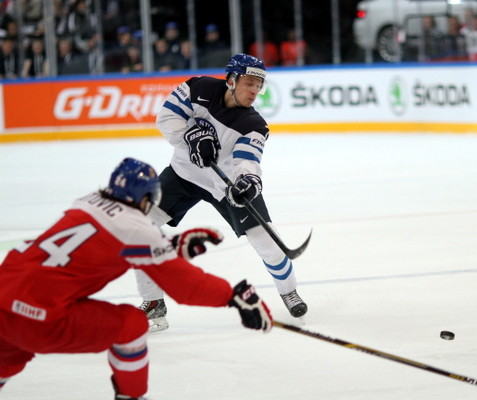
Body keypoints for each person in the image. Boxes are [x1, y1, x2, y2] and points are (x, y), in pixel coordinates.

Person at [0, 157, 272, 400]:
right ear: (146, 199)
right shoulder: (135, 227)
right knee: (131, 325)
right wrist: (232, 296)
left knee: (9, 356)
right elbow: (184, 287)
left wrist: (173, 245)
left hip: (4, 299)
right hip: (39, 317)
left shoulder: (86, 202)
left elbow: (109, 245)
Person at [135, 53, 308, 332]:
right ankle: (153, 302)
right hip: (183, 175)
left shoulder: (254, 124)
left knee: (267, 243)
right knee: (139, 228)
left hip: (224, 185)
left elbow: (247, 160)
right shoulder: (198, 88)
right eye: (249, 83)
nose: (254, 91)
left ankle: (289, 291)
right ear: (231, 80)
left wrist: (248, 181)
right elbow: (166, 118)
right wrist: (190, 136)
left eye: (259, 85)